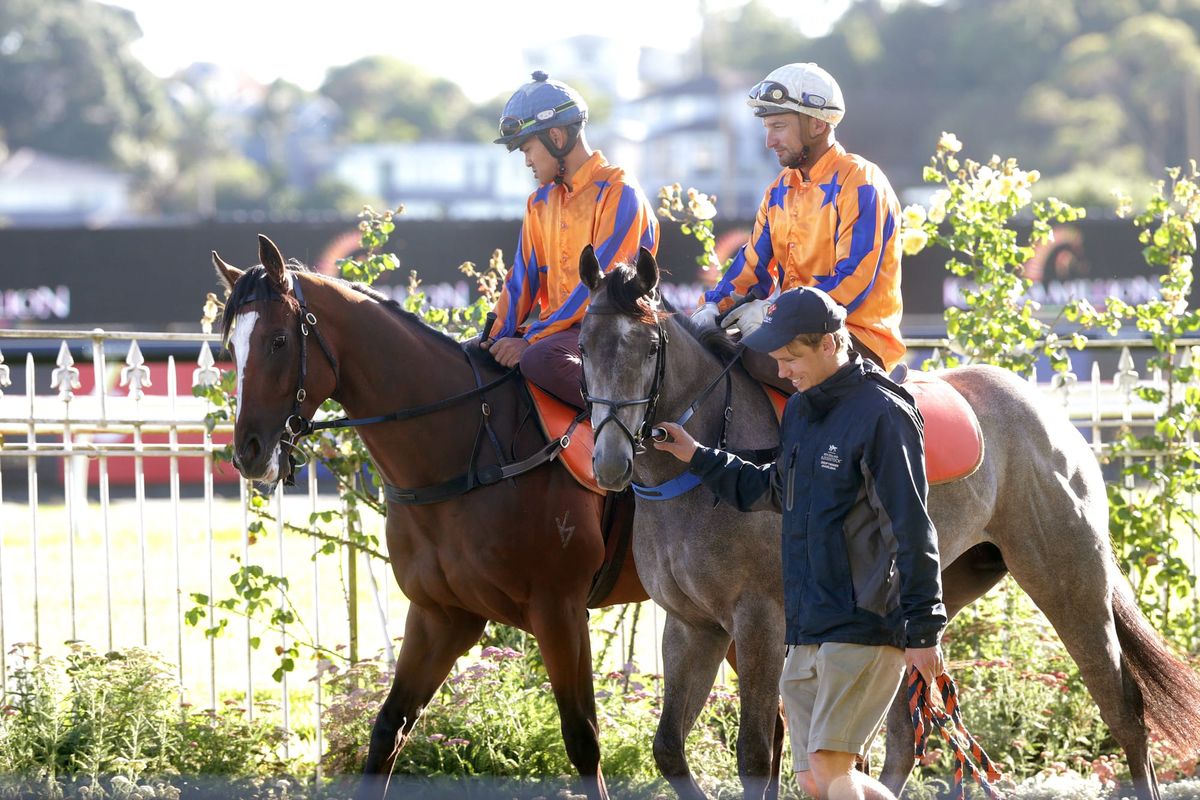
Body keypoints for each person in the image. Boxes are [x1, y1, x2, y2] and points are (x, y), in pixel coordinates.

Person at [657, 286, 946, 800]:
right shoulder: (802, 411)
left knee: (829, 767)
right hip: (808, 622)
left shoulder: (884, 414)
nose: (783, 370)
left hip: (865, 621)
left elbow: (912, 526)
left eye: (792, 358)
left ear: (832, 343)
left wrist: (924, 628)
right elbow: (775, 490)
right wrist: (698, 456)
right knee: (817, 779)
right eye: (778, 359)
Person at [693, 62, 905, 387]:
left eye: (778, 126)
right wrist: (711, 307)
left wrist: (773, 311)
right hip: (792, 329)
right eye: (766, 128)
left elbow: (853, 283)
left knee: (742, 361)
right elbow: (752, 268)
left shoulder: (861, 182)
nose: (769, 141)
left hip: (857, 339)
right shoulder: (779, 189)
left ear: (817, 125)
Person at [481, 71, 659, 407]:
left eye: (528, 149)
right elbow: (520, 283)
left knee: (539, 359)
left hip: (614, 333)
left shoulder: (620, 193)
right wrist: (491, 339)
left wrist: (531, 339)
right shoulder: (538, 202)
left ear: (556, 137)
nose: (527, 161)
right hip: (559, 336)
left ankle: (633, 427)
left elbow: (601, 290)